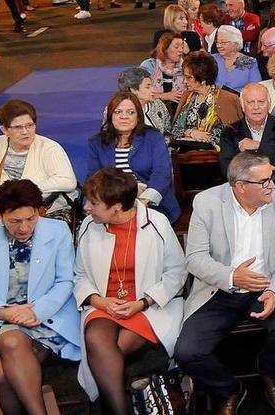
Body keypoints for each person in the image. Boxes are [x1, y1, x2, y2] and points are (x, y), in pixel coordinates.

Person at [176, 152, 275, 414]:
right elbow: (195, 259)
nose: (272, 185)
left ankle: (269, 369)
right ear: (241, 187)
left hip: (265, 286)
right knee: (187, 352)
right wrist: (233, 276)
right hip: (220, 289)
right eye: (264, 181)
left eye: (272, 177)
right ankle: (228, 389)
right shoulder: (208, 203)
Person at [0, 179, 81, 415]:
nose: (24, 227)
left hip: (46, 320)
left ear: (40, 211)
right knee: (13, 340)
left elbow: (66, 281)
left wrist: (36, 311)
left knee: (1, 374)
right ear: (0, 214)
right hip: (2, 322)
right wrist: (5, 312)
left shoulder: (58, 232)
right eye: (15, 221)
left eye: (31, 218)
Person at [74, 168, 187, 411]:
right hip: (104, 304)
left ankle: (110, 408)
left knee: (107, 354)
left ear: (116, 207)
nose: (87, 207)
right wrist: (98, 301)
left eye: (94, 203)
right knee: (96, 338)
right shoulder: (88, 225)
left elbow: (177, 273)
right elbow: (80, 275)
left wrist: (143, 302)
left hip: (149, 307)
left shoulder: (157, 223)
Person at [0, 100, 77, 219]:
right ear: (4, 130)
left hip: (46, 211)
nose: (25, 132)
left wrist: (24, 192)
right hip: (6, 212)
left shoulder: (49, 147)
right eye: (18, 127)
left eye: (29, 125)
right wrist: (0, 191)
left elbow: (68, 181)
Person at [88, 92, 180, 223]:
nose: (124, 117)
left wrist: (145, 200)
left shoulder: (153, 137)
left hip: (151, 204)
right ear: (110, 116)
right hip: (111, 204)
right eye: (118, 112)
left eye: (130, 112)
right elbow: (93, 177)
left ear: (138, 117)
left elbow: (162, 173)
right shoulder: (96, 143)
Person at [219, 83, 275, 194]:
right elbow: (227, 168)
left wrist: (259, 146)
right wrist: (262, 170)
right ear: (242, 105)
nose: (256, 107)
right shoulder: (231, 131)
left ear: (269, 104)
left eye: (261, 102)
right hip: (246, 190)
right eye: (251, 102)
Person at [171, 50, 243, 147]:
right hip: (185, 152)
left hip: (215, 154)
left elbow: (233, 135)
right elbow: (175, 130)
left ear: (203, 79)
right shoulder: (186, 96)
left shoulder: (228, 99)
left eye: (188, 77)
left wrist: (204, 138)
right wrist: (191, 133)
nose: (184, 81)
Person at [116, 67, 172, 135]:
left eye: (152, 86)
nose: (153, 90)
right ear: (134, 90)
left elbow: (168, 132)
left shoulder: (158, 105)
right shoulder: (116, 108)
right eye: (147, 87)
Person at [140, 32, 188, 105]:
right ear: (165, 49)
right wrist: (164, 96)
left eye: (182, 47)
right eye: (176, 47)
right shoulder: (149, 66)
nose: (180, 50)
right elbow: (139, 92)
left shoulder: (186, 67)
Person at [213, 24, 262, 91]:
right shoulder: (212, 59)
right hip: (215, 99)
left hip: (240, 100)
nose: (219, 45)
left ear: (235, 43)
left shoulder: (247, 61)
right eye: (217, 42)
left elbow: (256, 87)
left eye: (223, 42)